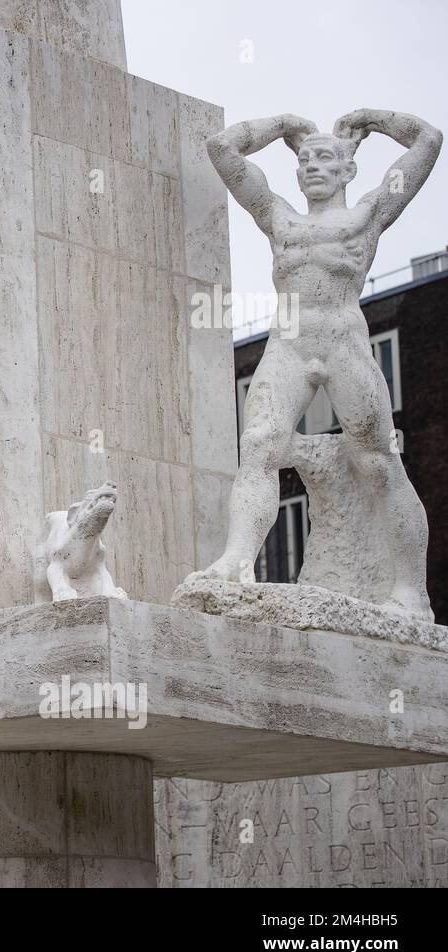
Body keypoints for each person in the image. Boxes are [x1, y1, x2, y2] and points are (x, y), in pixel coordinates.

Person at [188, 110, 442, 620]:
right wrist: (282, 125)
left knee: (378, 461)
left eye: (325, 159)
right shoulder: (280, 218)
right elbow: (222, 148)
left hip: (345, 343)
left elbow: (428, 141)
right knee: (259, 444)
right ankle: (237, 562)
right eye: (305, 161)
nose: (312, 168)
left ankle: (411, 591)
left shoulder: (369, 214)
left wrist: (373, 120)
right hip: (290, 346)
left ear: (349, 170)